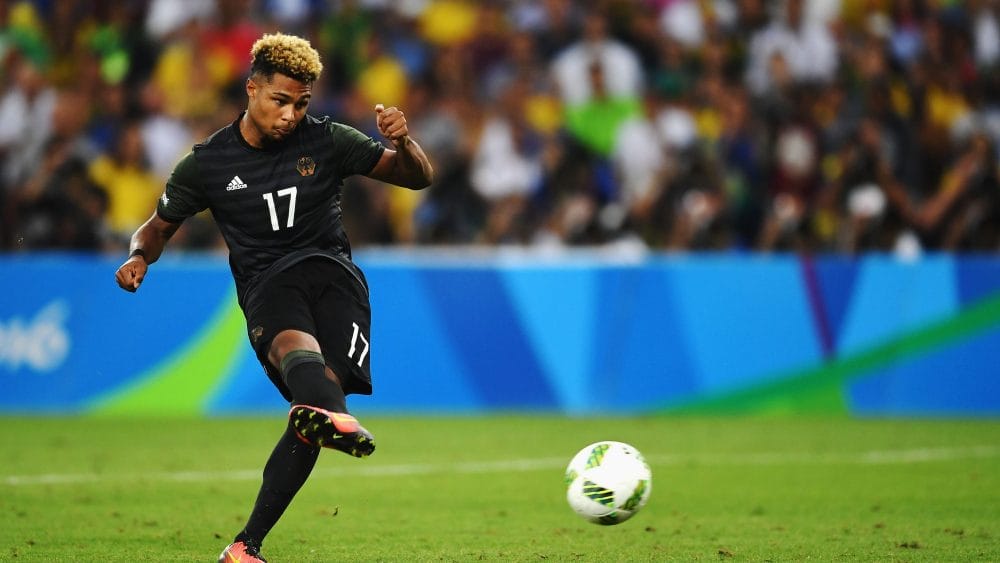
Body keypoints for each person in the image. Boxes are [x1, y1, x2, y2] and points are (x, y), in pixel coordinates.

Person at [114, 33, 433, 562]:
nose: (290, 114)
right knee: (295, 355)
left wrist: (405, 143)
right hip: (268, 283)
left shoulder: (328, 139)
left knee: (310, 410)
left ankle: (245, 544)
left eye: (301, 103)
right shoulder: (208, 163)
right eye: (280, 101)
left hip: (336, 278)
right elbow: (156, 227)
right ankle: (329, 416)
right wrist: (139, 257)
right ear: (252, 90)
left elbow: (415, 178)